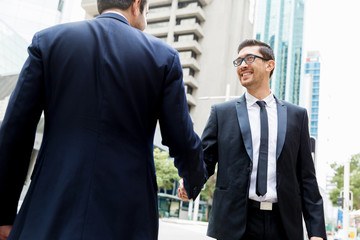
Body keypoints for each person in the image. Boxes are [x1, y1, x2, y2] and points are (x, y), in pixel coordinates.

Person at [0, 0, 206, 239]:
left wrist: (3, 214)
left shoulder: (48, 42)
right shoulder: (163, 57)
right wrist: (192, 181)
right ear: (137, 4)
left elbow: (16, 131)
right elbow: (181, 137)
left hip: (51, 204)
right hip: (129, 214)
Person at [178, 39, 326, 240]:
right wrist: (189, 182)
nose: (242, 65)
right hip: (235, 224)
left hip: (283, 225)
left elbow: (307, 176)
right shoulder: (222, 114)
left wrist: (316, 232)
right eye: (238, 61)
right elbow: (204, 161)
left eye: (249, 58)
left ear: (269, 64)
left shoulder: (296, 116)